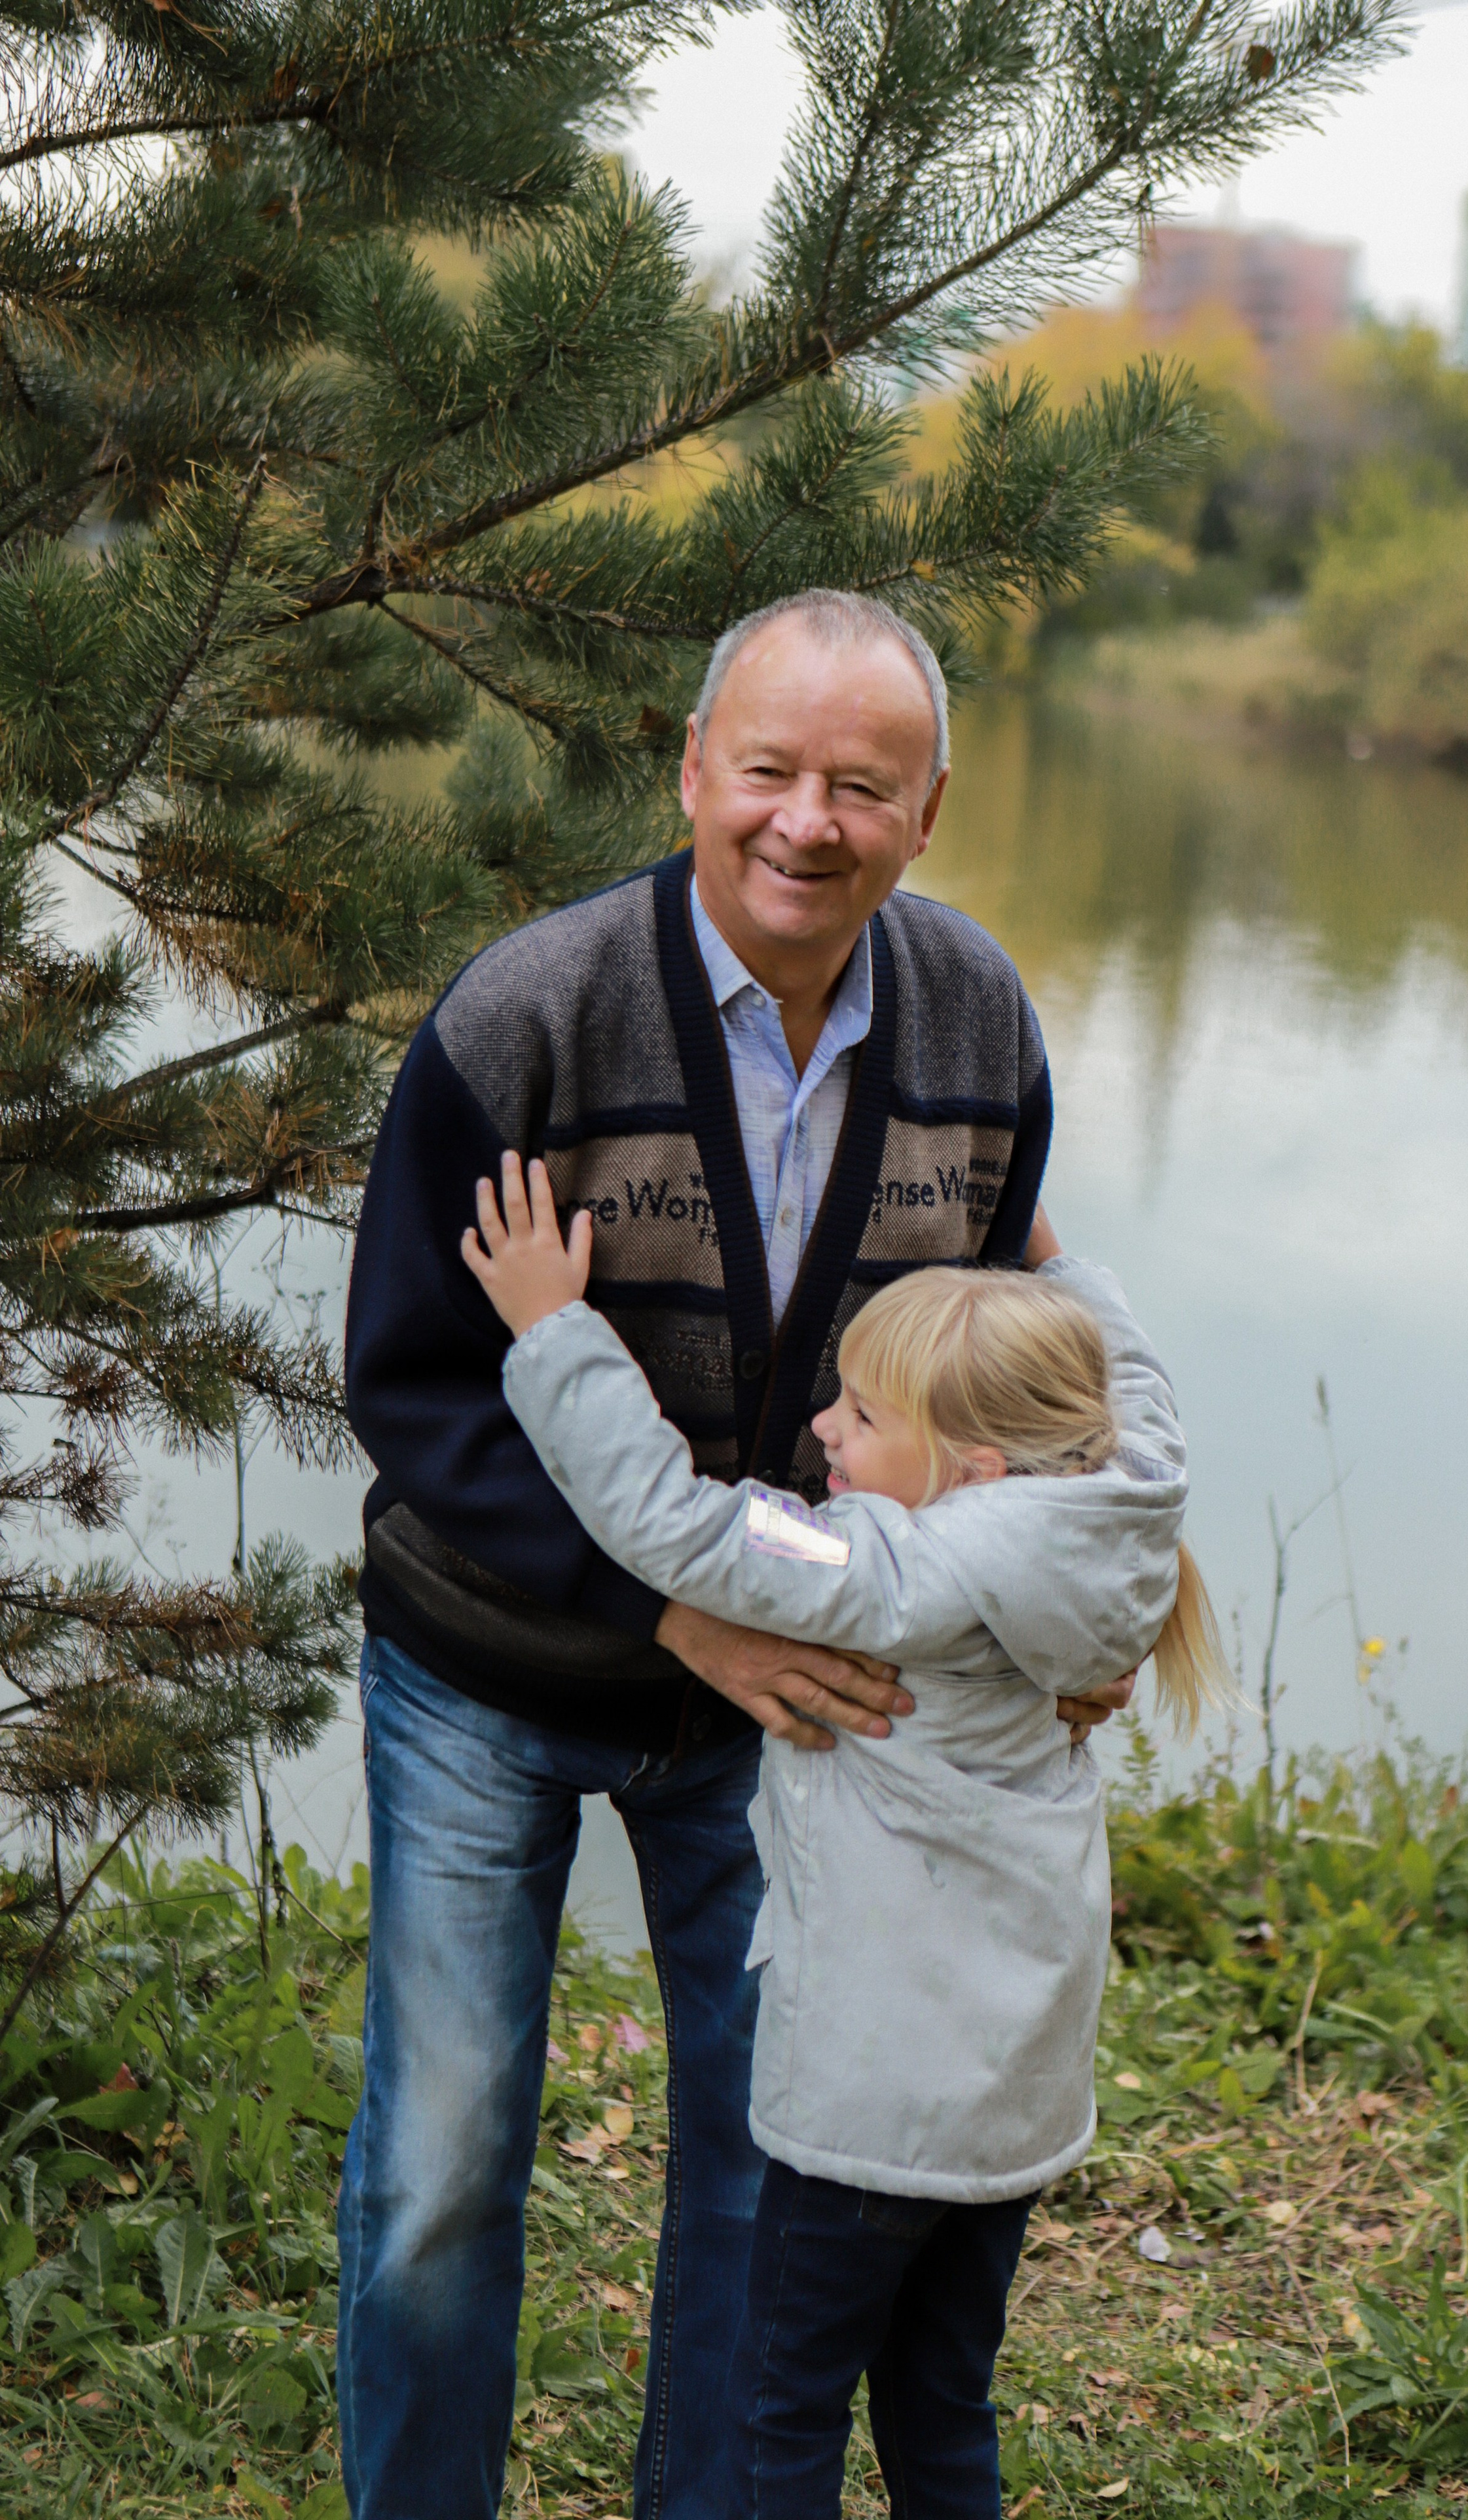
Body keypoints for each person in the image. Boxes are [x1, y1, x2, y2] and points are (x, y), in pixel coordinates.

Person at [337, 588, 1135, 2520]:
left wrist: (1061, 1607)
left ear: (928, 810)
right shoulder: (527, 1014)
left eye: (862, 785)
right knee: (444, 2161)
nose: (808, 820)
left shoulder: (980, 1023)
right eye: (768, 770)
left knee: (767, 2162)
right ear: (693, 774)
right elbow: (413, 1388)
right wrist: (666, 1602)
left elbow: (1006, 1387)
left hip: (791, 1707)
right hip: (490, 1665)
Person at [458, 1154, 1230, 2519]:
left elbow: (678, 1528)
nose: (820, 1428)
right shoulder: (1131, 1492)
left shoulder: (896, 1573)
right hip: (1007, 2117)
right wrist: (1044, 1252)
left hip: (871, 2114)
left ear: (969, 1472)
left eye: (860, 1416)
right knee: (940, 2410)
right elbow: (1135, 1371)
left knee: (780, 2410)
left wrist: (551, 1330)